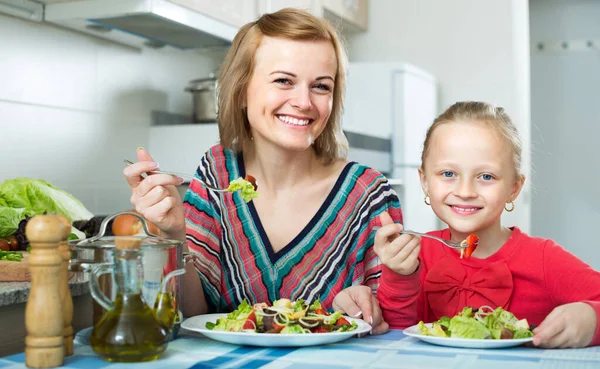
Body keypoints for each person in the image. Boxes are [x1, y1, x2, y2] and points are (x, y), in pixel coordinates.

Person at [124, 8, 401, 335]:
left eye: (321, 86)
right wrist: (173, 235)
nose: (304, 102)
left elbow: (396, 320)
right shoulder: (217, 173)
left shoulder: (369, 193)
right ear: (242, 90)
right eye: (284, 81)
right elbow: (193, 314)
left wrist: (366, 306)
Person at [373, 101, 600, 348]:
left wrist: (592, 318)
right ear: (425, 182)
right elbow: (394, 336)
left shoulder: (544, 258)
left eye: (486, 176)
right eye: (448, 174)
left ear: (514, 188)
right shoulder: (418, 253)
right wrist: (400, 275)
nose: (465, 191)